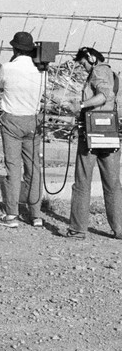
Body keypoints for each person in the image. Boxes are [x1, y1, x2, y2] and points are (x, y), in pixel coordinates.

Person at [63, 47, 121, 240]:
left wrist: (80, 105)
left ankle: (78, 229)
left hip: (92, 134)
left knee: (82, 182)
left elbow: (104, 95)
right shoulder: (111, 73)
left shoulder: (98, 71)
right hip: (110, 133)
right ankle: (119, 228)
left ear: (91, 58)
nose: (84, 67)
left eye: (83, 63)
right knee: (112, 184)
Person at [0, 31, 44, 228]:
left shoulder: (7, 67)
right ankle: (36, 214)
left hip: (12, 120)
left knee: (13, 168)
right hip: (33, 121)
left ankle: (12, 214)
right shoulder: (40, 71)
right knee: (33, 169)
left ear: (14, 48)